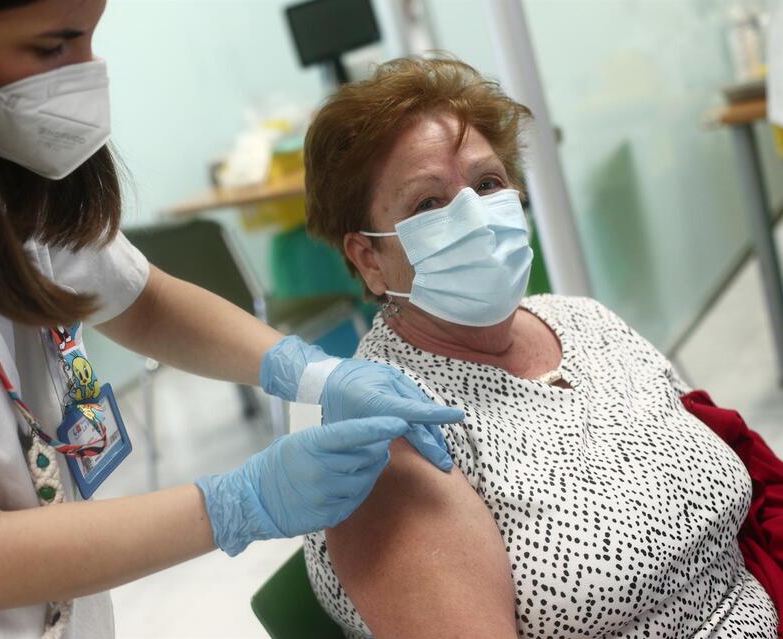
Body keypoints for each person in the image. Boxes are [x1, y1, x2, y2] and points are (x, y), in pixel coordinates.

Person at [0, 2, 466, 638]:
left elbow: (145, 303)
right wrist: (241, 501)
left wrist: (311, 373)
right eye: (53, 47)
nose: (87, 74)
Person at [300, 56, 779, 637]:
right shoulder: (387, 427)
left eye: (487, 184)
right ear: (368, 258)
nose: (475, 216)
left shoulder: (580, 320)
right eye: (429, 204)